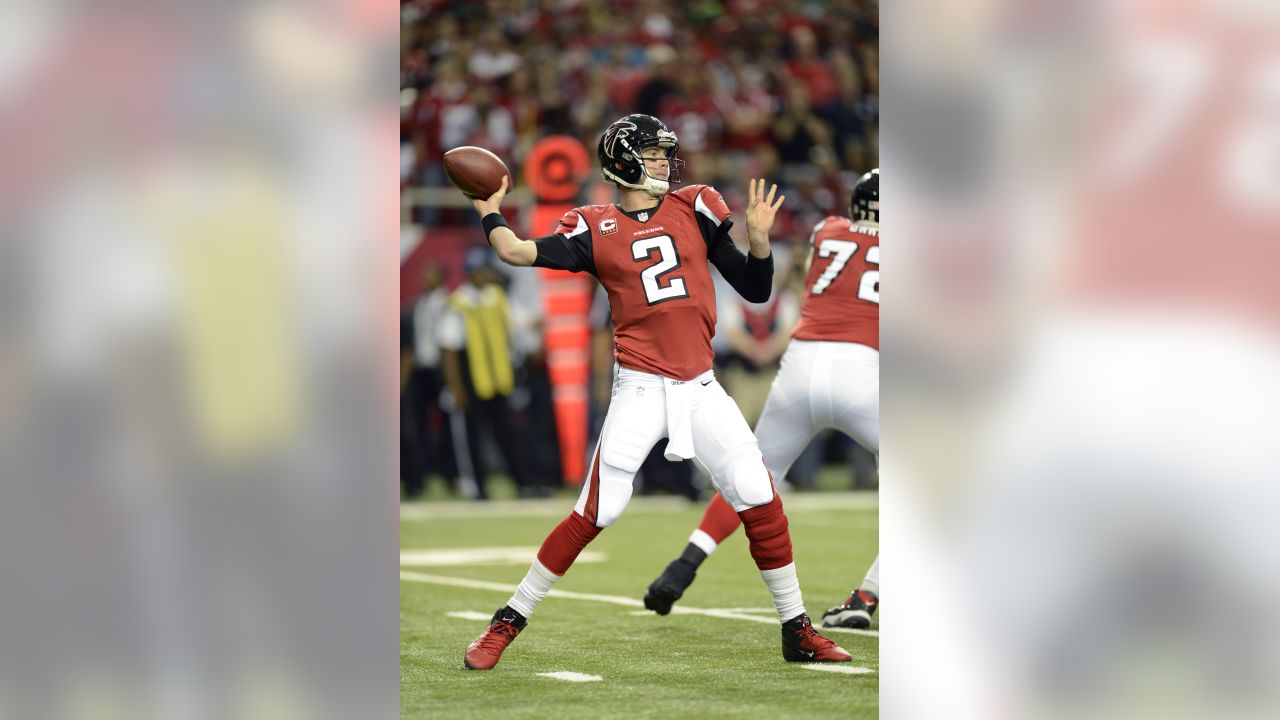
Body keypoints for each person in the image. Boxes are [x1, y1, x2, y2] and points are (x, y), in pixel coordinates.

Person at [460, 113, 852, 669]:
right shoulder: (592, 224)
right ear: (623, 162)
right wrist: (488, 208)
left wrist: (760, 242)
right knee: (599, 509)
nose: (666, 161)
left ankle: (796, 628)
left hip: (701, 384)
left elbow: (757, 289)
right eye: (653, 152)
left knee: (758, 494)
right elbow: (517, 252)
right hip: (641, 386)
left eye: (666, 152)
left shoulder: (696, 203)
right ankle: (506, 620)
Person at [643, 169, 882, 630]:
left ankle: (686, 562)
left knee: (753, 475)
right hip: (862, 372)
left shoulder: (827, 230)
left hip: (801, 363)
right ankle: (866, 596)